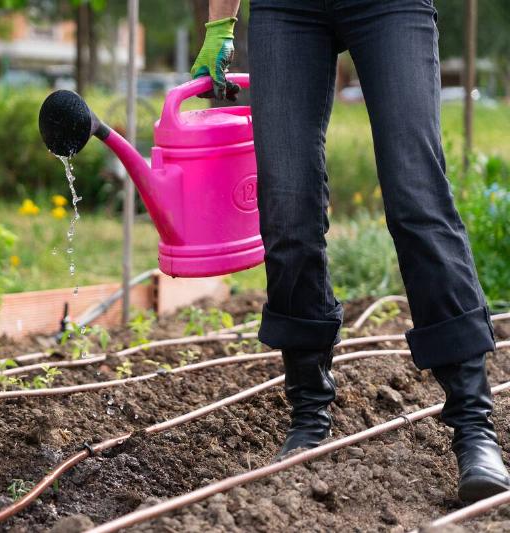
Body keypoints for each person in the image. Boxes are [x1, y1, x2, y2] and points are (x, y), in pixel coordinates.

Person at [191, 0, 510, 502]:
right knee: (287, 208)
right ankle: (309, 411)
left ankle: (474, 427)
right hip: (287, 10)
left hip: (389, 7)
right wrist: (219, 23)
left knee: (417, 199)